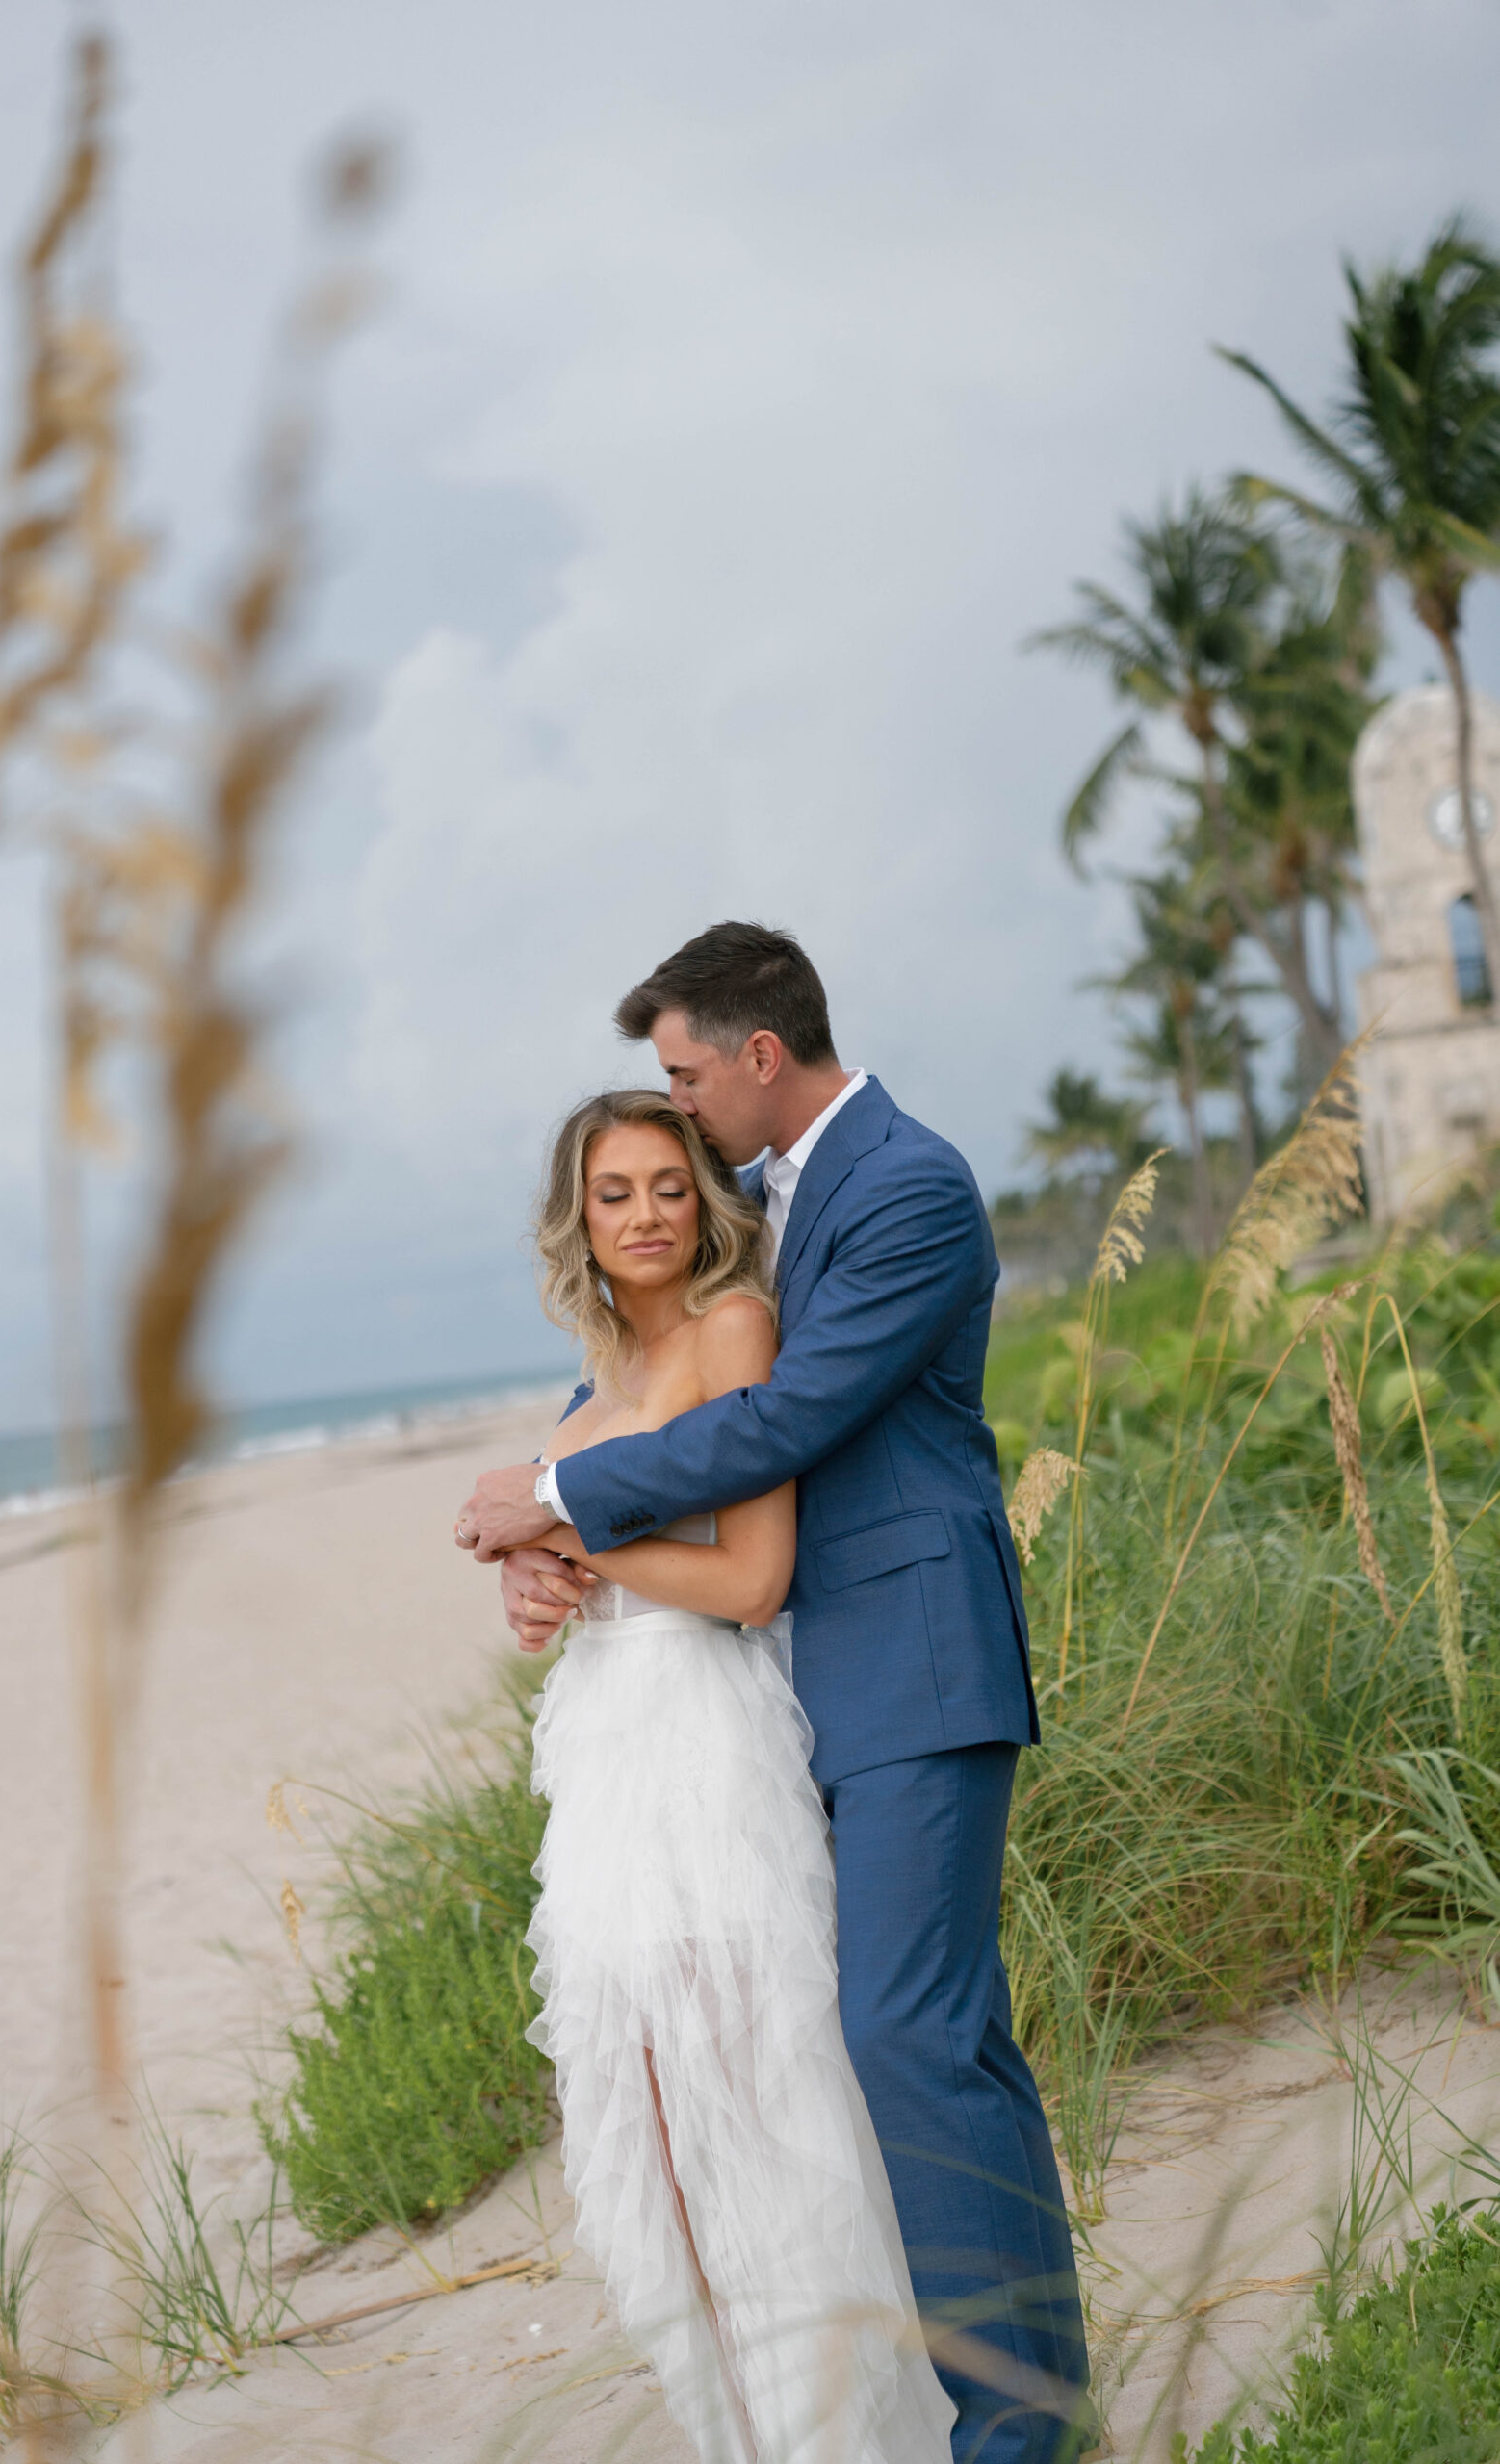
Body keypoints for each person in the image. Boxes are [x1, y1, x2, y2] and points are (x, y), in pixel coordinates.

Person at [457, 922, 1091, 2464]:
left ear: (758, 1053)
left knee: (903, 2035)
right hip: (790, 1698)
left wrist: (556, 1494)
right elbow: (647, 1357)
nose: (673, 1114)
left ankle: (1013, 2435)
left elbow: (792, 1411)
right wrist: (553, 1547)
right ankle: (1028, 2403)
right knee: (920, 2044)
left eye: (684, 1074)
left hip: (912, 1667)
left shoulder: (909, 1184)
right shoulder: (756, 1193)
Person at [511, 1085, 954, 2464]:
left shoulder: (734, 1329)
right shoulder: (593, 1390)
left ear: (706, 1202)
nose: (644, 1216)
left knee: (752, 2114)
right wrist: (539, 1591)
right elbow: (587, 1561)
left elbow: (754, 1581)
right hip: (601, 1762)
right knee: (649, 2127)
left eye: (666, 1186)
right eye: (614, 1193)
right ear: (575, 1221)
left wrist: (583, 1547)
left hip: (707, 1745)